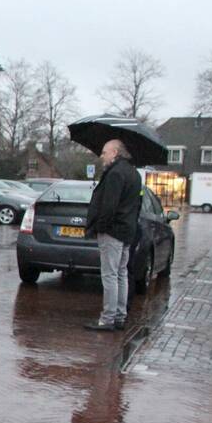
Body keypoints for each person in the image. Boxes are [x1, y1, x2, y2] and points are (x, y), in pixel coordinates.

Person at [84, 139, 142, 331]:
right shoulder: (134, 173)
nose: (102, 156)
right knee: (121, 274)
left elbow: (109, 206)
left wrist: (100, 227)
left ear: (115, 152)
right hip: (127, 230)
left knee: (109, 275)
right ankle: (119, 315)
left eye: (104, 152)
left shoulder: (115, 174)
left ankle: (108, 318)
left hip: (113, 231)